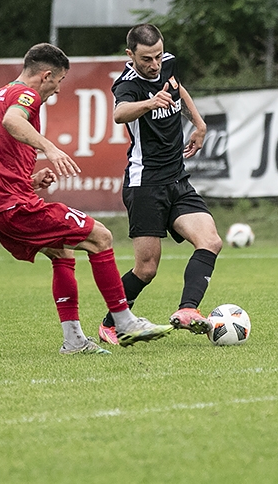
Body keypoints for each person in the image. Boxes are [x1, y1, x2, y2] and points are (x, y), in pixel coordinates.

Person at [0, 42, 172, 354]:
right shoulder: (25, 95)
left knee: (62, 254)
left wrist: (30, 179)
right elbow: (13, 121)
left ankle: (74, 340)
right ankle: (124, 321)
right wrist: (49, 148)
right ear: (47, 75)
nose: (57, 90)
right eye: (60, 81)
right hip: (13, 204)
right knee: (101, 237)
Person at [97, 23, 223, 345]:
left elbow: (177, 88)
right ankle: (111, 324)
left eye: (157, 56)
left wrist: (198, 123)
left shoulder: (167, 63)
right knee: (147, 268)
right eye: (146, 59)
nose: (154, 65)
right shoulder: (127, 84)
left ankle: (188, 310)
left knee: (210, 241)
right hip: (146, 184)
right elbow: (120, 113)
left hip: (177, 178)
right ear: (130, 56)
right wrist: (149, 104)